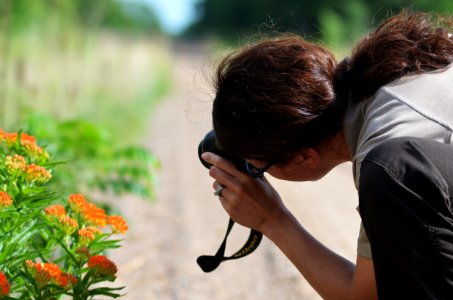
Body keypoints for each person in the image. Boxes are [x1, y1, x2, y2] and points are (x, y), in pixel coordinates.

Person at [200, 10, 453, 300]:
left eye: (259, 169)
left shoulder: (391, 162)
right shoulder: (390, 74)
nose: (260, 175)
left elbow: (364, 298)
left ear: (304, 157)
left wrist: (273, 220)